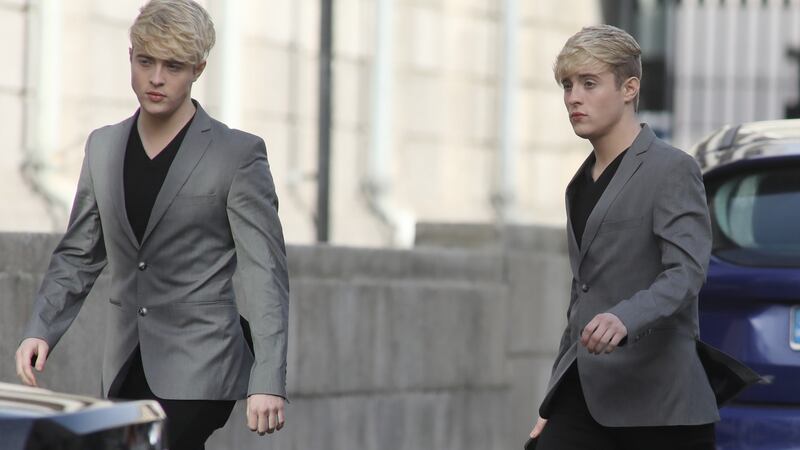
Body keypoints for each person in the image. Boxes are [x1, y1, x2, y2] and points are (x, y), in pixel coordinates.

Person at [14, 1, 289, 449]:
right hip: (125, 361)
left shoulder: (237, 155)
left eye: (173, 66)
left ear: (198, 69)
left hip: (202, 363)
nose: (156, 78)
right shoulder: (103, 147)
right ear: (130, 58)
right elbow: (80, 252)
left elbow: (265, 272)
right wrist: (41, 329)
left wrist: (268, 379)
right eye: (146, 62)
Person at [527, 24, 722, 449]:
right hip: (585, 397)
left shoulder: (671, 169)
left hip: (659, 408)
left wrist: (624, 318)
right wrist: (552, 401)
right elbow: (582, 297)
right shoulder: (579, 184)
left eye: (589, 83)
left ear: (629, 88)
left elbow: (686, 272)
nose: (573, 98)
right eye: (567, 85)